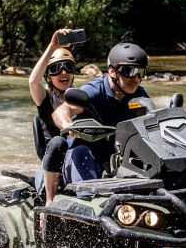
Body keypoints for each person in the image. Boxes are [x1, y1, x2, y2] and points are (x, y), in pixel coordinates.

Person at [52, 42, 149, 185]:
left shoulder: (139, 96)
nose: (135, 79)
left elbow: (147, 123)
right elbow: (61, 111)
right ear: (112, 71)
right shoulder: (94, 92)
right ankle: (87, 199)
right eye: (129, 71)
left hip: (114, 162)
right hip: (81, 161)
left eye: (141, 73)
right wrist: (68, 124)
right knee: (80, 151)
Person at [29, 29, 77, 204]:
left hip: (77, 157)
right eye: (56, 69)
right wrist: (52, 46)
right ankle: (50, 202)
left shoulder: (81, 97)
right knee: (59, 142)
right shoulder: (45, 97)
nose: (63, 73)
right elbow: (33, 82)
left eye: (68, 67)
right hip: (53, 164)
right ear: (48, 76)